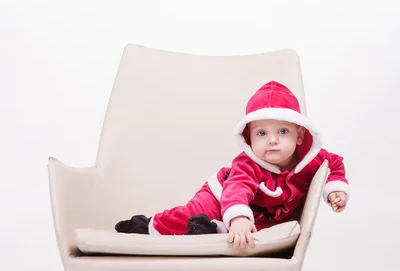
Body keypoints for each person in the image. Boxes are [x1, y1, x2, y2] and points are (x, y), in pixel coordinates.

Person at [115, 81, 349, 249]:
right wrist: (238, 218)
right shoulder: (248, 164)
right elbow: (237, 189)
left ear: (299, 136)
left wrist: (335, 190)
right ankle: (147, 226)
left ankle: (210, 228)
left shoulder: (313, 160)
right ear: (249, 137)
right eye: (262, 133)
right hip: (221, 195)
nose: (272, 139)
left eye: (283, 131)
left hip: (260, 215)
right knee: (189, 214)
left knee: (254, 232)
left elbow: (334, 164)